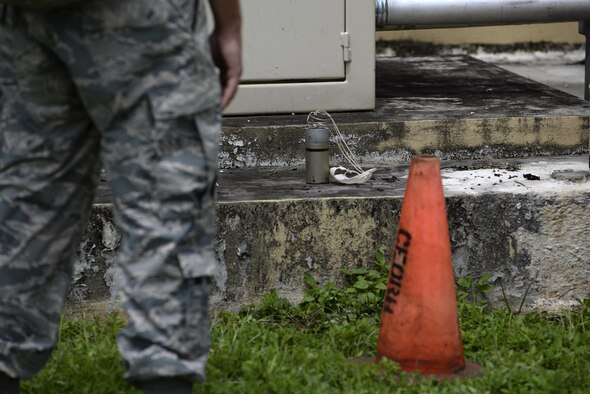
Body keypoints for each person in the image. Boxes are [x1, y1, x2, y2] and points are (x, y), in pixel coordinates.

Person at [0, 0, 241, 393]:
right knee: (165, 204)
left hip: (28, 17)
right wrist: (229, 25)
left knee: (27, 201)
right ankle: (165, 377)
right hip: (139, 19)